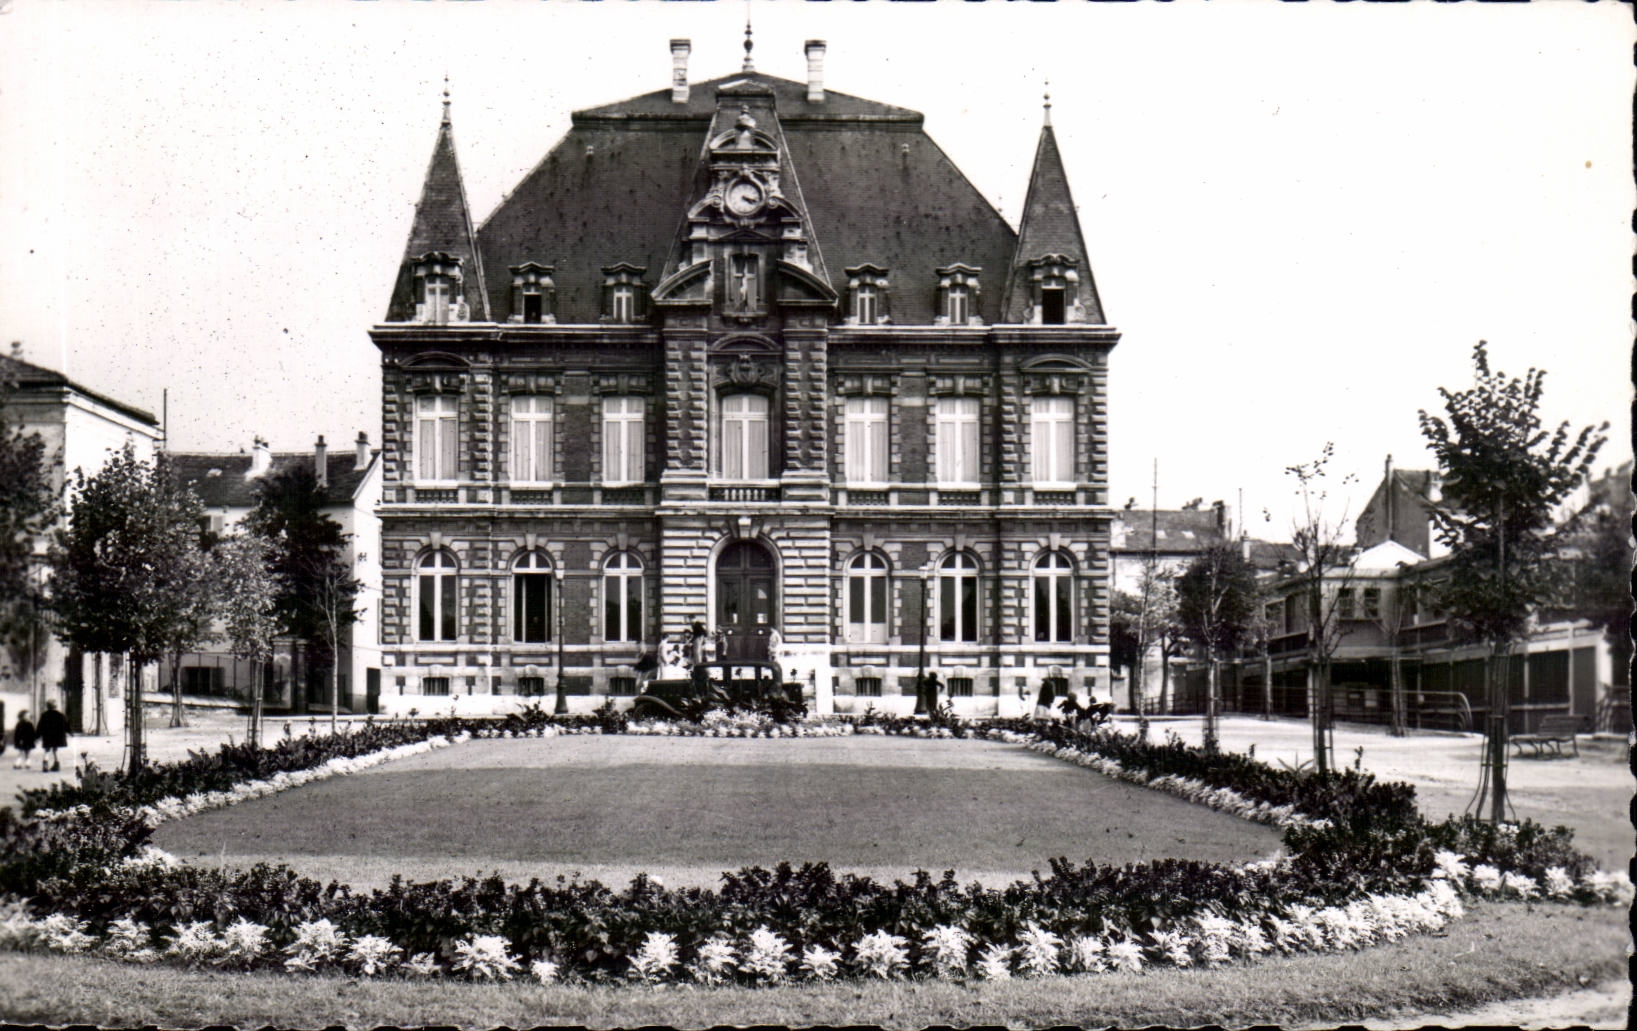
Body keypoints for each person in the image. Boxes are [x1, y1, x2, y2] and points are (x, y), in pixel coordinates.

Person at [36, 700, 69, 772]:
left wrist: (37, 736)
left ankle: (45, 764)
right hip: (57, 736)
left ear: (47, 707)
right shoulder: (61, 715)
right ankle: (57, 764)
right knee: (55, 750)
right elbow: (66, 725)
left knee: (46, 750)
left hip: (48, 736)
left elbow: (40, 726)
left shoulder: (44, 715)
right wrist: (70, 732)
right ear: (56, 706)